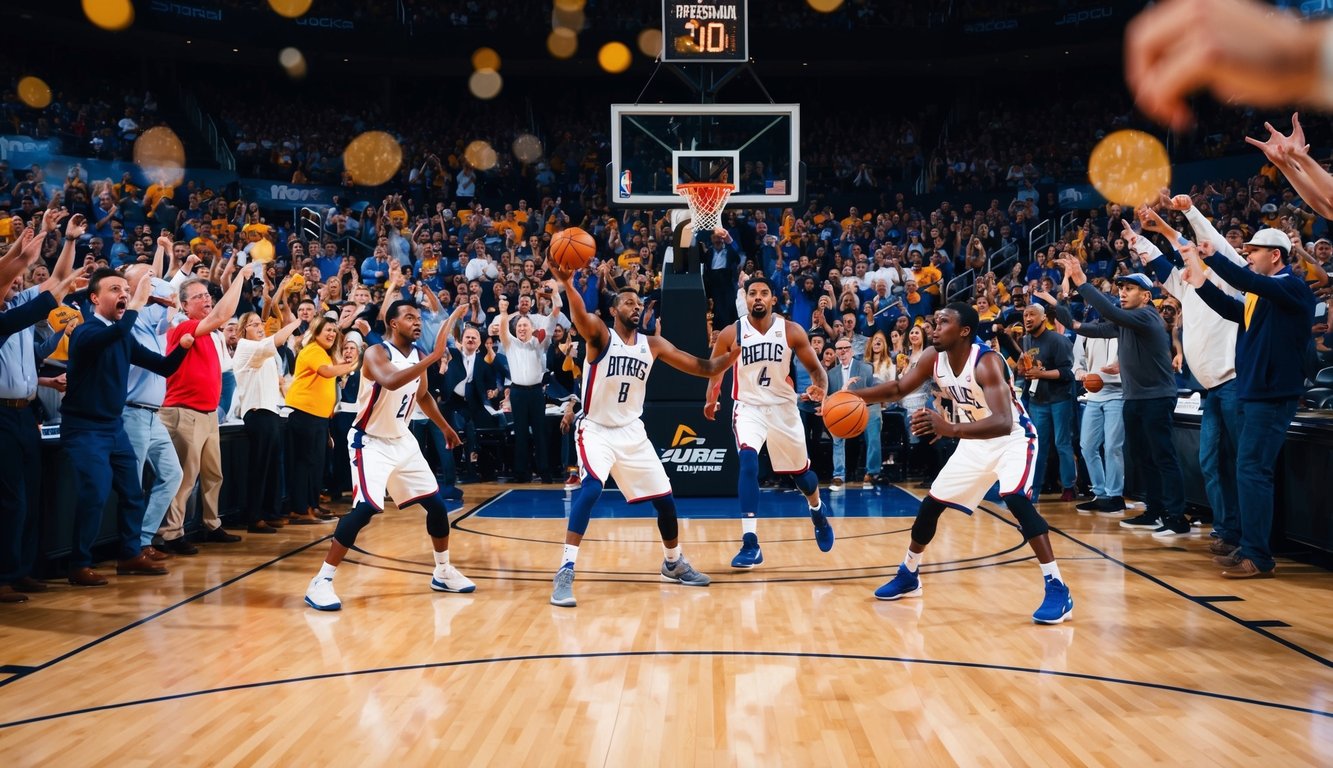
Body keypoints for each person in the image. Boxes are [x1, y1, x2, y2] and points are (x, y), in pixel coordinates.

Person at [851, 303, 1074, 624]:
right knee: (932, 504)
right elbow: (900, 388)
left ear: (965, 331)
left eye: (943, 323)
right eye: (934, 322)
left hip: (1013, 438)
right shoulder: (933, 357)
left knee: (1015, 497)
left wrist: (949, 429)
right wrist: (854, 398)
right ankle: (909, 572)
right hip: (974, 442)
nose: (934, 328)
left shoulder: (986, 363)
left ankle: (1057, 587)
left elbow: (1001, 421)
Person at [546, 261, 738, 607]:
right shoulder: (600, 335)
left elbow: (704, 367)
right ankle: (565, 569)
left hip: (632, 432)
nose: (636, 307)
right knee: (590, 489)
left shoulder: (653, 345)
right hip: (597, 430)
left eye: (639, 304)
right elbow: (579, 317)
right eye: (628, 303)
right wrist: (568, 286)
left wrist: (729, 358)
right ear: (613, 309)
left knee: (665, 500)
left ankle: (673, 561)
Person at [304, 301, 471, 611]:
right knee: (366, 507)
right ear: (393, 323)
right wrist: (434, 357)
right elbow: (392, 380)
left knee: (436, 505)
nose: (416, 322)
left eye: (419, 318)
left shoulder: (418, 356)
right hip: (369, 441)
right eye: (409, 317)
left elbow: (421, 396)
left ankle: (443, 571)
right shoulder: (376, 353)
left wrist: (445, 428)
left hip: (401, 440)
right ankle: (321, 581)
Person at [1182, 234, 1314, 578]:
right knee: (1249, 471)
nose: (1249, 256)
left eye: (1253, 251)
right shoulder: (1264, 294)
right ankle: (1250, 545)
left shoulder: (1294, 287)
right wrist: (1200, 284)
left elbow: (1246, 280)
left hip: (1271, 395)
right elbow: (1233, 309)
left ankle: (1258, 555)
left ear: (1275, 255)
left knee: (1253, 471)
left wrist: (1212, 258)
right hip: (1255, 392)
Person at [62, 269, 194, 586]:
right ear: (94, 298)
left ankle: (129, 553)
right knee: (94, 492)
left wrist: (184, 347)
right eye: (114, 289)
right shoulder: (87, 331)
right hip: (85, 428)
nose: (123, 293)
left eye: (125, 289)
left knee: (133, 492)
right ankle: (79, 563)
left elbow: (162, 366)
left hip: (113, 426)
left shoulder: (123, 335)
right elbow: (115, 334)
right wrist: (136, 303)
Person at [1054, 256, 1192, 539]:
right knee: (1144, 458)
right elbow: (1079, 327)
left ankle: (1177, 517)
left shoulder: (1146, 316)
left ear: (1146, 296)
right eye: (1120, 288)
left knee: (1163, 457)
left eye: (1129, 289)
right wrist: (1063, 299)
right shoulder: (1124, 323)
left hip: (1156, 397)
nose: (1122, 292)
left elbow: (1111, 312)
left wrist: (1082, 280)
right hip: (1134, 398)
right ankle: (1154, 512)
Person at [1136, 205, 1245, 553]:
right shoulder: (1188, 289)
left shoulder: (1229, 281)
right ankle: (1228, 531)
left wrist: (1186, 216)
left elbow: (1210, 241)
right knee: (1211, 462)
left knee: (1242, 463)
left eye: (1189, 257)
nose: (1183, 266)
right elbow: (1162, 266)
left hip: (1234, 384)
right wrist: (1139, 239)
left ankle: (1249, 535)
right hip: (1210, 391)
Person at [704, 276, 834, 568]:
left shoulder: (790, 330)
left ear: (773, 299)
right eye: (753, 293)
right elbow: (715, 369)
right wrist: (711, 397)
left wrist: (821, 388)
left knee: (803, 477)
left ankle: (817, 510)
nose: (758, 298)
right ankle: (750, 543)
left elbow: (816, 369)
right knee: (748, 461)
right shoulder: (731, 333)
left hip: (783, 409)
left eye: (764, 293)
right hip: (748, 407)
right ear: (746, 299)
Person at [0, 220, 83, 601]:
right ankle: (4, 575)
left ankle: (23, 570)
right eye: (12, 280)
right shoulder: (9, 316)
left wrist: (67, 240)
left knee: (30, 494)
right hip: (1, 415)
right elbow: (54, 290)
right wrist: (21, 254)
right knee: (10, 498)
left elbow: (59, 278)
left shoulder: (19, 307)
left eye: (20, 282)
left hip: (23, 413)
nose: (17, 285)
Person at [157, 264, 256, 554]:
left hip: (208, 413)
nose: (206, 299)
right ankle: (171, 534)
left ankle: (210, 524)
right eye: (198, 296)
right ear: (184, 305)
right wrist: (239, 278)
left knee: (214, 474)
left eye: (206, 294)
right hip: (183, 412)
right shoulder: (182, 327)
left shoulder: (212, 337)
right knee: (184, 478)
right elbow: (222, 316)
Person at [231, 306, 301, 533]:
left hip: (271, 412)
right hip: (256, 412)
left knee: (272, 467)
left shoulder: (265, 352)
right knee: (259, 467)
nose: (259, 327)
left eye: (260, 324)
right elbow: (278, 339)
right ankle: (254, 517)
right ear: (243, 331)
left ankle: (270, 512)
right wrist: (296, 322)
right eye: (253, 324)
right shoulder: (245, 346)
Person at [1018, 304, 1077, 500]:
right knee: (1038, 446)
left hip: (1059, 398)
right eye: (1025, 314)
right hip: (1038, 399)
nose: (1027, 318)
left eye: (1032, 314)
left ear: (1043, 318)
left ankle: (1069, 487)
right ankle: (1034, 488)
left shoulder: (1058, 340)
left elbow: (1068, 373)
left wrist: (1041, 374)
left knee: (1062, 444)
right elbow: (1031, 368)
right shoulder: (1026, 340)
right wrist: (1025, 370)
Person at [497, 293, 554, 483]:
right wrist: (503, 312)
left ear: (532, 329)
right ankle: (521, 473)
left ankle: (545, 472)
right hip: (518, 393)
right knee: (520, 434)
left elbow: (550, 326)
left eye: (525, 325)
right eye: (519, 326)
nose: (522, 328)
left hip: (537, 392)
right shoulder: (510, 344)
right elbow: (503, 331)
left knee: (540, 433)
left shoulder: (538, 344)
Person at [827, 338, 880, 489]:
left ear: (852, 350)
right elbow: (831, 396)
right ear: (836, 352)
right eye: (839, 348)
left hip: (865, 405)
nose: (843, 351)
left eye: (846, 348)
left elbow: (875, 389)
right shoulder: (831, 374)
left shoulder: (866, 368)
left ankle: (872, 472)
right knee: (835, 432)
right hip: (843, 409)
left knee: (875, 420)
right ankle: (838, 475)